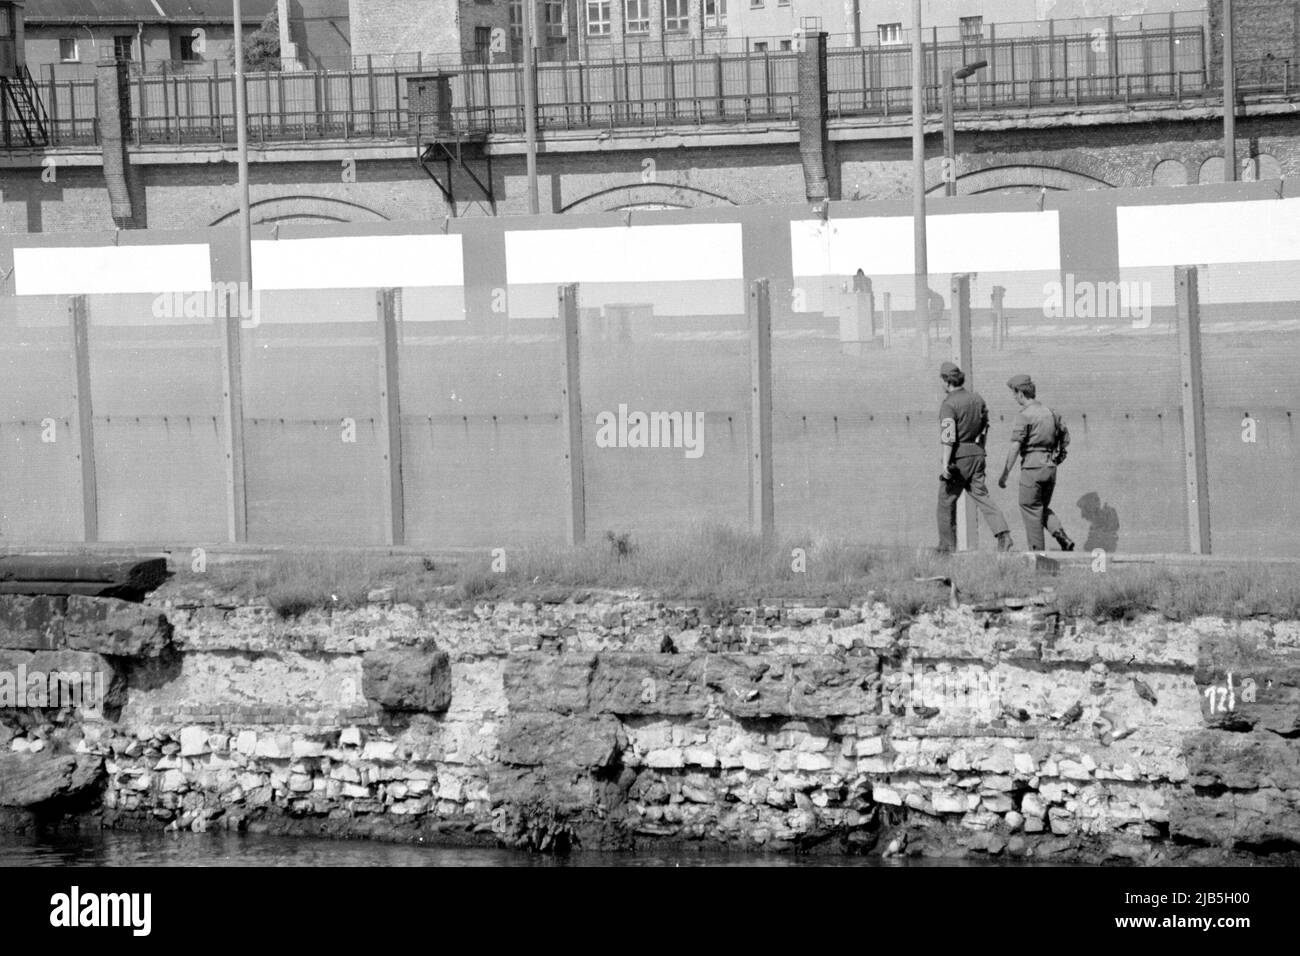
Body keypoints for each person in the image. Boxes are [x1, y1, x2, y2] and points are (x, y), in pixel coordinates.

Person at [937, 361, 1014, 553]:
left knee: (945, 501)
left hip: (959, 457)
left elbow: (948, 437)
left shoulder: (949, 404)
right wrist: (979, 449)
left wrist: (946, 463)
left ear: (947, 381)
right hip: (978, 453)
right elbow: (985, 427)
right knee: (982, 496)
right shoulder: (977, 399)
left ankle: (947, 548)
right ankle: (1004, 535)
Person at [998, 374, 1075, 552]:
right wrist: (1057, 459)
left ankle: (1038, 555)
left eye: (1014, 393)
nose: (1013, 397)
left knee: (1030, 509)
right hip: (1050, 467)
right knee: (1041, 507)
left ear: (1020, 393)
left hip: (1032, 467)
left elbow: (1015, 447)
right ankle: (1062, 536)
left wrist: (1005, 474)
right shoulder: (1051, 412)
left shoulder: (1024, 415)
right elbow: (1065, 439)